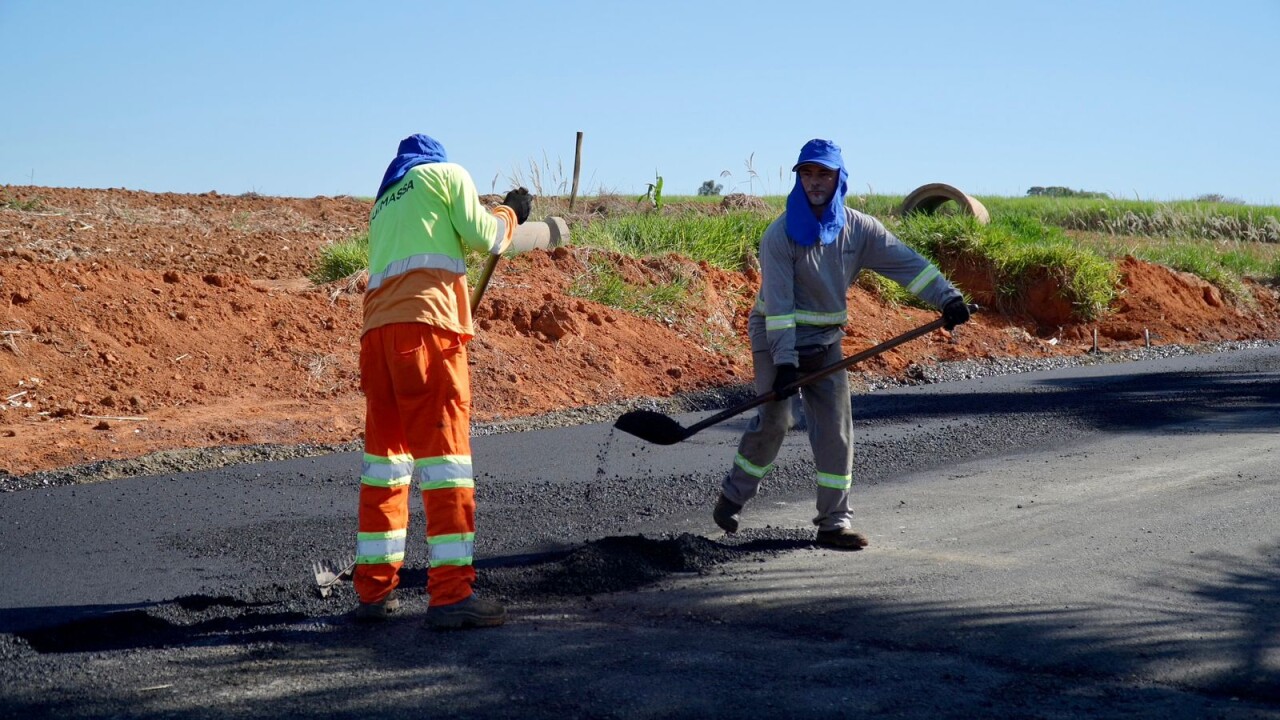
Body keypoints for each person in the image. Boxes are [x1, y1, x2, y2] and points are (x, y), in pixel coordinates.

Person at [713, 138, 970, 549]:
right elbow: (778, 309)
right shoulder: (779, 236)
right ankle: (732, 496)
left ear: (839, 178)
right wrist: (784, 365)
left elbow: (908, 266)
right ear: (799, 179)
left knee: (836, 431)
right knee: (777, 422)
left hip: (826, 342)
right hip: (776, 338)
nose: (815, 182)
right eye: (808, 174)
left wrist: (948, 297)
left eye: (824, 174)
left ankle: (833, 523)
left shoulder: (860, 229)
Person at [353, 133, 532, 628]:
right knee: (445, 461)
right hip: (427, 332)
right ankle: (452, 595)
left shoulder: (385, 200)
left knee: (385, 463)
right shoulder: (447, 175)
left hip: (376, 338)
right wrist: (510, 213)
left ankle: (374, 589)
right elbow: (487, 238)